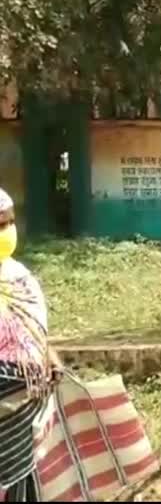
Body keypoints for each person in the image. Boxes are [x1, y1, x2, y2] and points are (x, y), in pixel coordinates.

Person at [0, 188, 60, 502]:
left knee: (23, 479)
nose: (6, 233)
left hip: (27, 405)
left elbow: (34, 327)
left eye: (9, 223)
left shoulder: (18, 276)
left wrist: (50, 356)